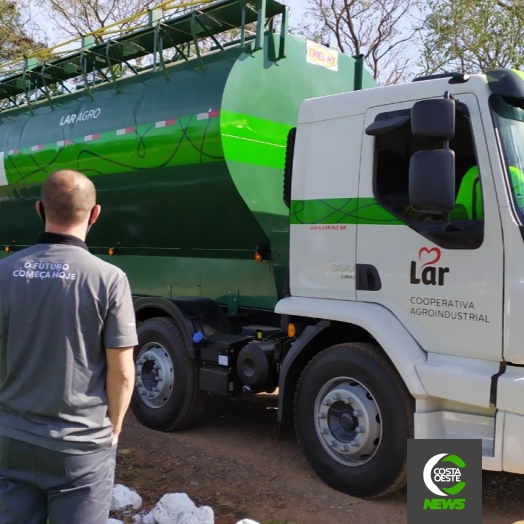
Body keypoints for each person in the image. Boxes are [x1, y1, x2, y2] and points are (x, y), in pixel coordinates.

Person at [0, 169, 138, 524]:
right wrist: (115, 427)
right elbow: (122, 373)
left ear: (39, 210)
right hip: (80, 448)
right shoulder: (109, 279)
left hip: (9, 439)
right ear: (95, 214)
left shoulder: (4, 271)